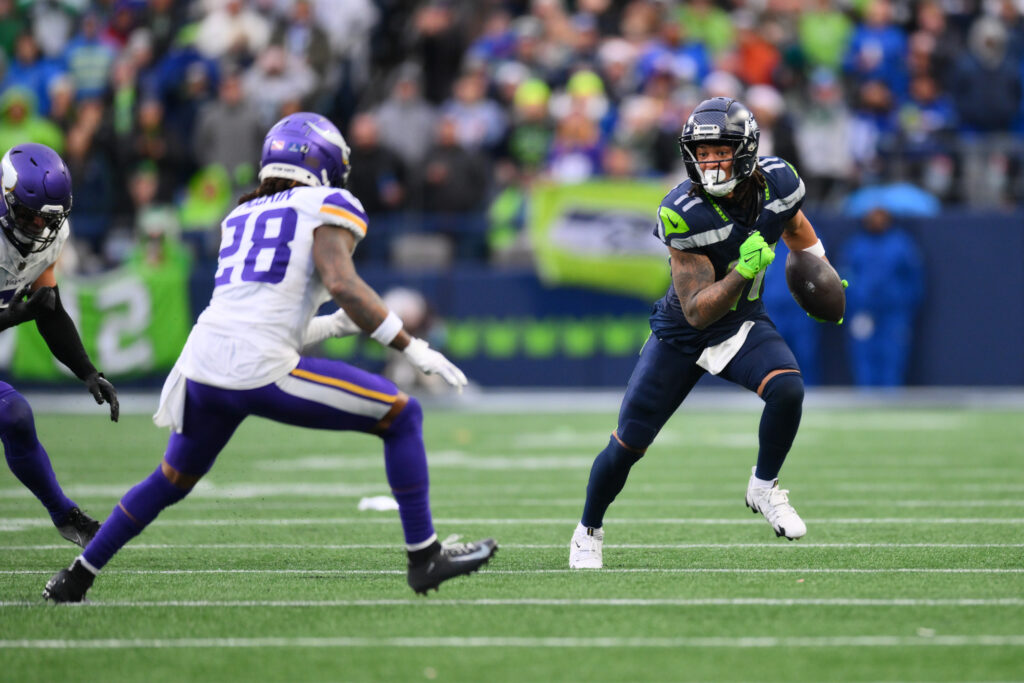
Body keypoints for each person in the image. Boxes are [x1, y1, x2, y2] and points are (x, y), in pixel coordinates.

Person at [43, 113, 497, 603]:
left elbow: (261, 320)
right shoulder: (327, 202)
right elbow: (342, 283)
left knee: (169, 480)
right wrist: (411, 345)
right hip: (257, 370)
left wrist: (335, 325)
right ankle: (424, 557)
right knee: (402, 415)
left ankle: (76, 577)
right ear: (322, 162)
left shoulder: (240, 214)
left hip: (204, 366)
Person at [570, 97, 842, 569]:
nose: (709, 161)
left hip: (741, 322)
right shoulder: (683, 210)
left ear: (746, 149)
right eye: (702, 152)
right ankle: (587, 530)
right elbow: (697, 311)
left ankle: (763, 487)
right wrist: (742, 270)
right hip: (683, 333)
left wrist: (821, 267)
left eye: (719, 150)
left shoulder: (780, 181)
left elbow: (795, 224)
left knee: (788, 390)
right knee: (628, 445)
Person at [0, 142, 119, 548]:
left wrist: (88, 371)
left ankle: (64, 514)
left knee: (14, 415)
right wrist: (13, 317)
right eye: (31, 216)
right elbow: (27, 311)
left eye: (48, 219)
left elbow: (48, 307)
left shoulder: (47, 236)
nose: (39, 227)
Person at [841, 207, 923, 387]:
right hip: (862, 311)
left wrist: (903, 302)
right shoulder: (856, 245)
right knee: (863, 356)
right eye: (872, 216)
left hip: (893, 312)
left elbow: (913, 278)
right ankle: (865, 397)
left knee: (893, 355)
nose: (876, 220)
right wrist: (855, 299)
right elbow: (845, 276)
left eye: (880, 216)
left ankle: (891, 398)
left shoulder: (901, 244)